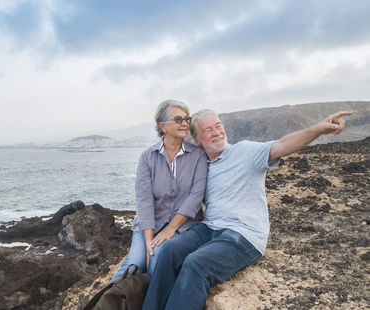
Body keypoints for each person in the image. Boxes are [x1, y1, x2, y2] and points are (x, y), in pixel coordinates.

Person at [142, 109, 353, 309]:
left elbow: (282, 145)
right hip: (210, 229)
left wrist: (318, 129)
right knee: (168, 250)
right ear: (198, 140)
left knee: (195, 263)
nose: (216, 132)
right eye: (208, 130)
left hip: (243, 235)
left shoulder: (245, 152)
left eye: (218, 126)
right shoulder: (200, 165)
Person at [111, 100, 207, 280]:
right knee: (134, 263)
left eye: (187, 118)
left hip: (184, 226)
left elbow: (196, 196)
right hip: (149, 225)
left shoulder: (198, 155)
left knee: (158, 257)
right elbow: (144, 199)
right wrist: (148, 241)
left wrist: (170, 229)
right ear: (162, 126)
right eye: (178, 119)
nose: (185, 123)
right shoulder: (147, 157)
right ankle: (105, 302)